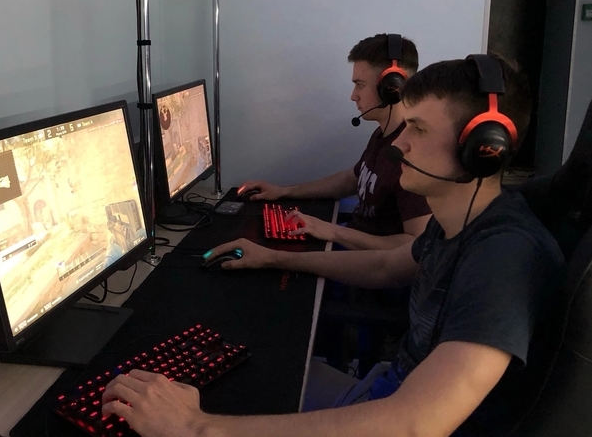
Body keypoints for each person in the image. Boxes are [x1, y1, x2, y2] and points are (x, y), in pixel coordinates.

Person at [100, 54, 565, 437]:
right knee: (242, 371)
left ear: (483, 149)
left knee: (213, 406)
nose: (398, 144)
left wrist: (197, 428)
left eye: (419, 129)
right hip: (387, 389)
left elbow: (416, 424)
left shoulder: (504, 259)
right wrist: (272, 257)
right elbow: (386, 267)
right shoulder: (459, 225)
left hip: (401, 414)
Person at [239, 34, 431, 251]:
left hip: (367, 264)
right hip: (349, 242)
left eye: (360, 85)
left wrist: (332, 231)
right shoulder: (384, 134)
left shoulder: (413, 153)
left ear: (392, 87)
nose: (353, 96)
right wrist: (283, 192)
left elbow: (414, 246)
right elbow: (352, 179)